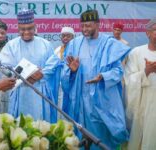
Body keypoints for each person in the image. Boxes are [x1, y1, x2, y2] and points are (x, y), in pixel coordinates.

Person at [61, 10, 130, 149]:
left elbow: (118, 71)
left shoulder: (108, 44)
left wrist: (103, 77)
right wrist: (72, 71)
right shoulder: (75, 44)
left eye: (88, 26)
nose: (85, 29)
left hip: (101, 100)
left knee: (100, 138)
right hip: (80, 100)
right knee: (80, 137)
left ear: (98, 24)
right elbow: (65, 72)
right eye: (83, 26)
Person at [0, 9, 60, 122]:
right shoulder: (11, 46)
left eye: (29, 28)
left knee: (41, 128)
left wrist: (42, 73)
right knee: (20, 129)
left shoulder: (45, 44)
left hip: (40, 93)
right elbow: (4, 66)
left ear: (35, 27)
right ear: (18, 28)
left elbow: (53, 64)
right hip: (20, 92)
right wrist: (23, 75)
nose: (26, 32)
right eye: (23, 29)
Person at [124, 18, 156, 150]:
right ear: (147, 33)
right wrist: (146, 72)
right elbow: (129, 79)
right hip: (142, 104)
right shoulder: (136, 52)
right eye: (155, 30)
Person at [54, 27, 75, 115]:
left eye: (68, 36)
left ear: (73, 37)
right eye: (63, 36)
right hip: (60, 84)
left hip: (72, 83)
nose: (65, 38)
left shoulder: (76, 49)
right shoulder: (57, 50)